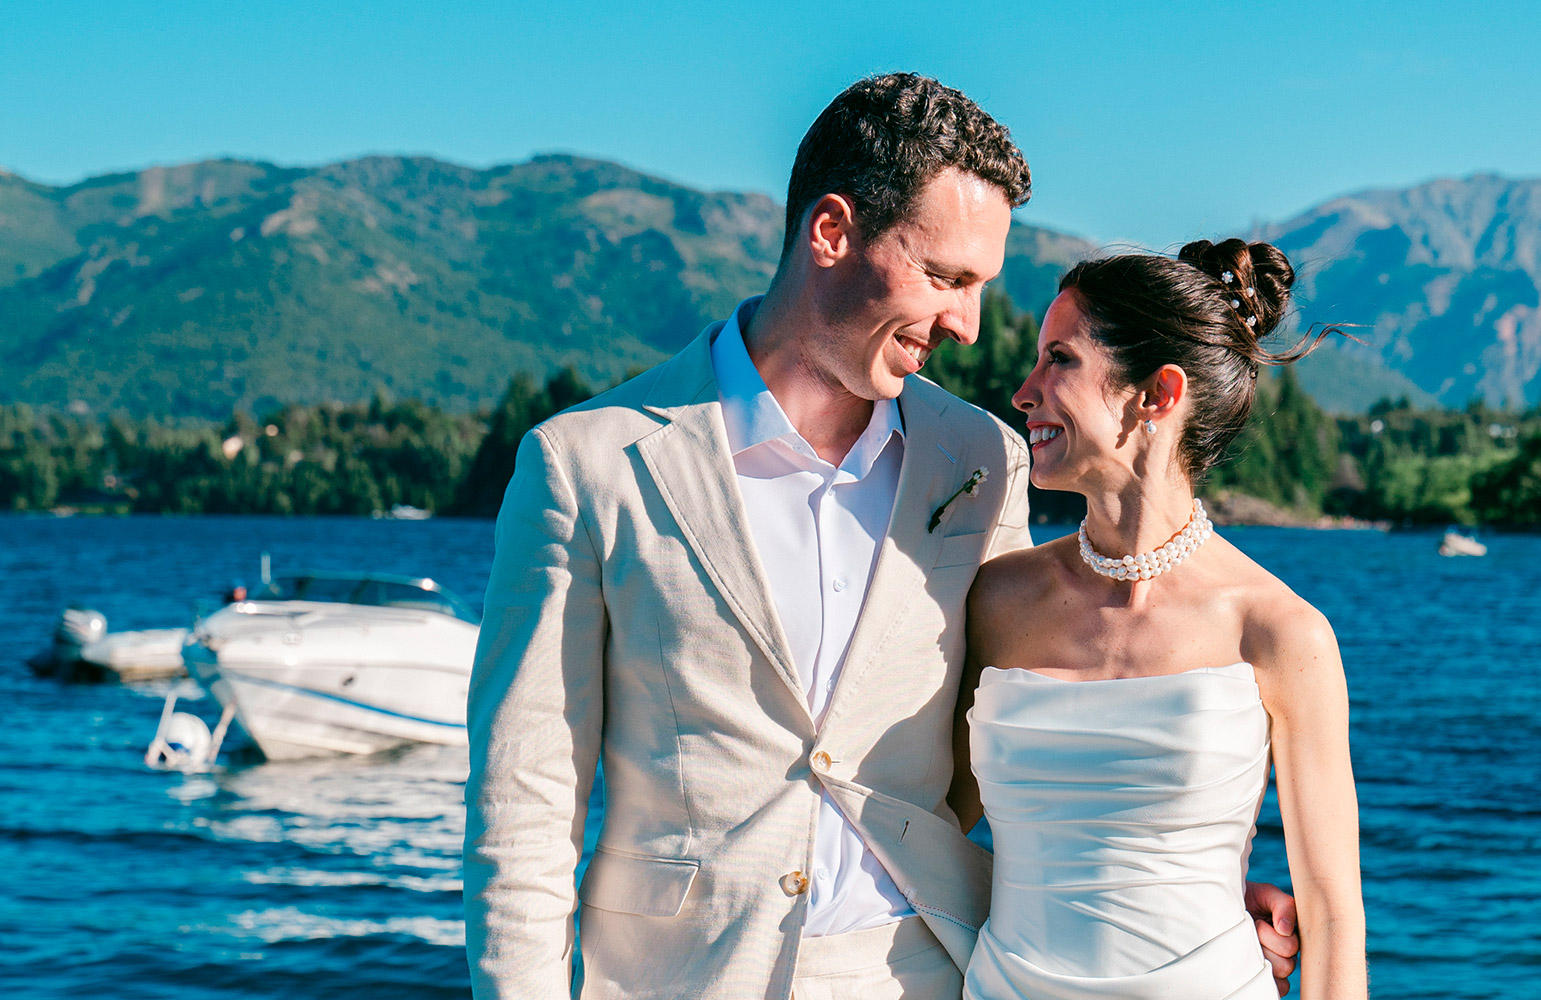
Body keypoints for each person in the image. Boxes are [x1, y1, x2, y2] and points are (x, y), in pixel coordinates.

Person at [464, 73, 1298, 999]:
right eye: (945, 278)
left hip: (927, 976)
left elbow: (1027, 733)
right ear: (831, 232)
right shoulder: (586, 464)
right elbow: (524, 803)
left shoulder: (981, 458)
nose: (968, 326)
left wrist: (1182, 899)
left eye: (979, 287)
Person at [950, 240, 1365, 999]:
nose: (1023, 391)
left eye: (1059, 360)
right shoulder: (997, 600)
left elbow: (1333, 917)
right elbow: (929, 824)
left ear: (1156, 394)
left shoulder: (1278, 632)